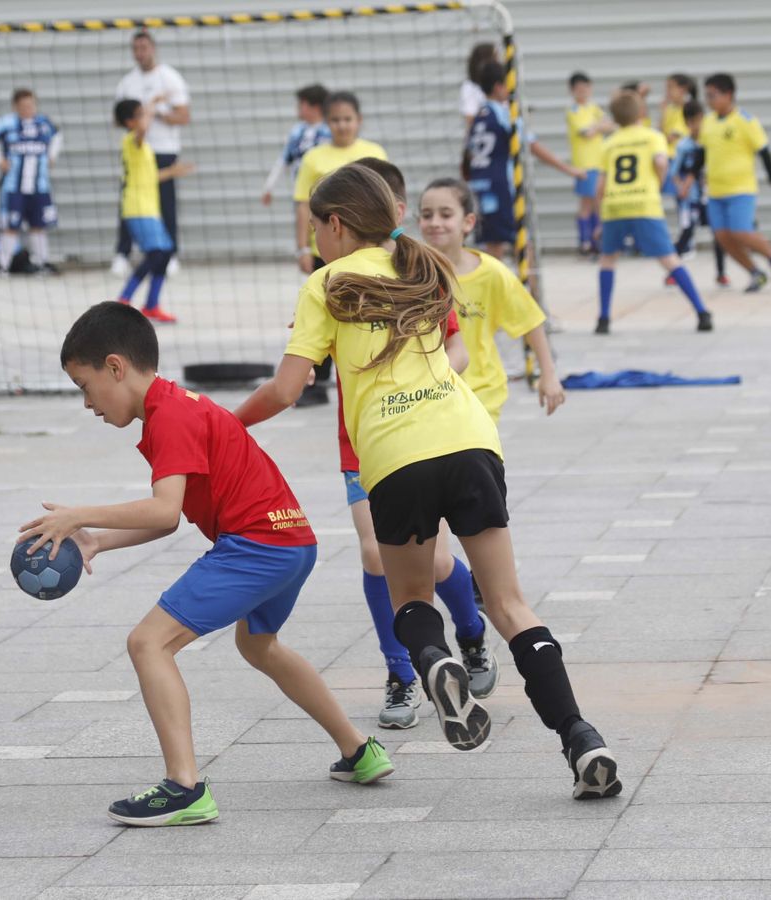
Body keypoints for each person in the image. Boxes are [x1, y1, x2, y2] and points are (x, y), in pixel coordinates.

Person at [235, 164, 621, 799]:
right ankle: (581, 738)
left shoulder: (323, 284)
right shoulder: (425, 267)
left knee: (410, 599)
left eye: (315, 229)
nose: (314, 243)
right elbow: (453, 351)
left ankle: (436, 661)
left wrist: (227, 424)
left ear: (335, 225)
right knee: (511, 606)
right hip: (470, 439)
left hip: (394, 457)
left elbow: (286, 388)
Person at [18, 301, 394, 827]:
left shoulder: (169, 416)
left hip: (257, 545)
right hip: (293, 540)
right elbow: (171, 517)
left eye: (84, 386)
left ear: (115, 367)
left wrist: (79, 512)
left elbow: (163, 508)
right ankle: (359, 750)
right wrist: (98, 540)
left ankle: (184, 788)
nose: (87, 403)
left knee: (147, 642)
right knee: (258, 645)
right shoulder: (175, 406)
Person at [338, 160, 496, 731]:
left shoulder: (414, 268)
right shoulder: (329, 280)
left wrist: (424, 385)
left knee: (432, 559)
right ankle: (401, 671)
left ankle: (472, 632)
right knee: (374, 554)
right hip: (364, 441)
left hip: (425, 434)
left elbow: (457, 349)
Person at [419, 178, 564, 417]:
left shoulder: (491, 273)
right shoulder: (409, 274)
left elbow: (531, 321)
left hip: (481, 394)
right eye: (426, 215)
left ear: (468, 222)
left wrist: (548, 375)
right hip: (428, 394)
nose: (435, 223)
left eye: (445, 215)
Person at [292, 90, 387, 407]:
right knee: (326, 309)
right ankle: (316, 381)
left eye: (348, 119)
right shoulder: (315, 158)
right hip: (329, 250)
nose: (342, 125)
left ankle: (372, 369)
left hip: (367, 249)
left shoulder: (374, 152)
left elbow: (386, 200)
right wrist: (303, 248)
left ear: (359, 121)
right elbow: (304, 206)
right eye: (335, 120)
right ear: (326, 122)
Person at [592, 92, 713, 334]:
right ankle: (701, 311)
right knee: (669, 258)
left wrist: (599, 217)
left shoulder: (609, 143)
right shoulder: (652, 137)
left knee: (608, 259)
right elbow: (660, 162)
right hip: (644, 204)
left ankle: (603, 318)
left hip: (614, 206)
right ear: (641, 113)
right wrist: (658, 182)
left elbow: (601, 186)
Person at [464, 62, 584, 261]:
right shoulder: (505, 114)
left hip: (479, 184)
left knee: (492, 242)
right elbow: (533, 146)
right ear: (498, 87)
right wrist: (569, 170)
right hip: (500, 185)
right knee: (519, 238)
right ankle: (531, 289)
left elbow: (470, 152)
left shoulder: (478, 115)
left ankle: (497, 286)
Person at [701, 72, 771, 293]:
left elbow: (764, 151)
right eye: (707, 96)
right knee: (723, 236)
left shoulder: (745, 121)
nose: (709, 101)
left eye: (713, 95)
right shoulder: (708, 122)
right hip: (715, 191)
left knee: (741, 231)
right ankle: (754, 272)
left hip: (741, 189)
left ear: (728, 94)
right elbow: (703, 154)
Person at [112, 30, 191, 276]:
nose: (140, 53)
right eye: (136, 48)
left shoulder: (170, 78)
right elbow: (118, 119)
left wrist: (157, 112)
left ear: (153, 48)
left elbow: (183, 116)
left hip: (163, 149)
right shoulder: (127, 83)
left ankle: (170, 255)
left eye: (144, 48)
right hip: (136, 153)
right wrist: (146, 112)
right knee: (129, 202)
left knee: (165, 204)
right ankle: (122, 254)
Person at [114, 99, 194, 323]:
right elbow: (142, 128)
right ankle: (124, 299)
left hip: (148, 208)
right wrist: (152, 106)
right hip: (137, 207)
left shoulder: (144, 147)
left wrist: (173, 171)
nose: (144, 119)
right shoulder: (132, 140)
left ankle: (151, 305)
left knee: (165, 252)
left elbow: (151, 177)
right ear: (130, 121)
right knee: (157, 253)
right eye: (139, 115)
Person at [0, 88, 61, 275]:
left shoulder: (44, 123)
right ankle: (3, 266)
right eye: (23, 105)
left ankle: (41, 263)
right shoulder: (8, 123)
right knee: (9, 226)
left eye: (31, 105)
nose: (28, 109)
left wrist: (52, 155)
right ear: (15, 106)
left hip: (40, 186)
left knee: (38, 225)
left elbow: (58, 136)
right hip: (13, 187)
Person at [668, 101, 734, 287]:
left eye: (702, 120)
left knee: (718, 233)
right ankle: (672, 270)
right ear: (688, 123)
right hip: (691, 198)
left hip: (710, 196)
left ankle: (721, 273)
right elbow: (674, 172)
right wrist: (682, 188)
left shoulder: (710, 141)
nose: (700, 125)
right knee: (687, 233)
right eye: (695, 121)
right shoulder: (684, 146)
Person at [261, 84, 331, 207]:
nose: (298, 107)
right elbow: (284, 160)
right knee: (303, 225)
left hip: (327, 195)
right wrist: (269, 187)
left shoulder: (330, 131)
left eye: (301, 104)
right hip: (302, 195)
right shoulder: (297, 131)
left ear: (316, 107)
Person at [566, 73, 612, 257]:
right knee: (586, 202)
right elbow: (586, 132)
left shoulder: (594, 108)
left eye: (586, 88)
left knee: (597, 202)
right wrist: (598, 126)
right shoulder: (573, 111)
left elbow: (610, 124)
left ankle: (595, 240)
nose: (583, 92)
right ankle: (585, 241)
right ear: (572, 91)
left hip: (599, 162)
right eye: (579, 89)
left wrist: (598, 127)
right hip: (584, 164)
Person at [658, 74, 696, 154]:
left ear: (683, 89)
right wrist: (663, 113)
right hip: (667, 155)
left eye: (670, 87)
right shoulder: (669, 109)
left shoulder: (689, 110)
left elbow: (670, 138)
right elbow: (660, 133)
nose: (667, 91)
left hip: (679, 156)